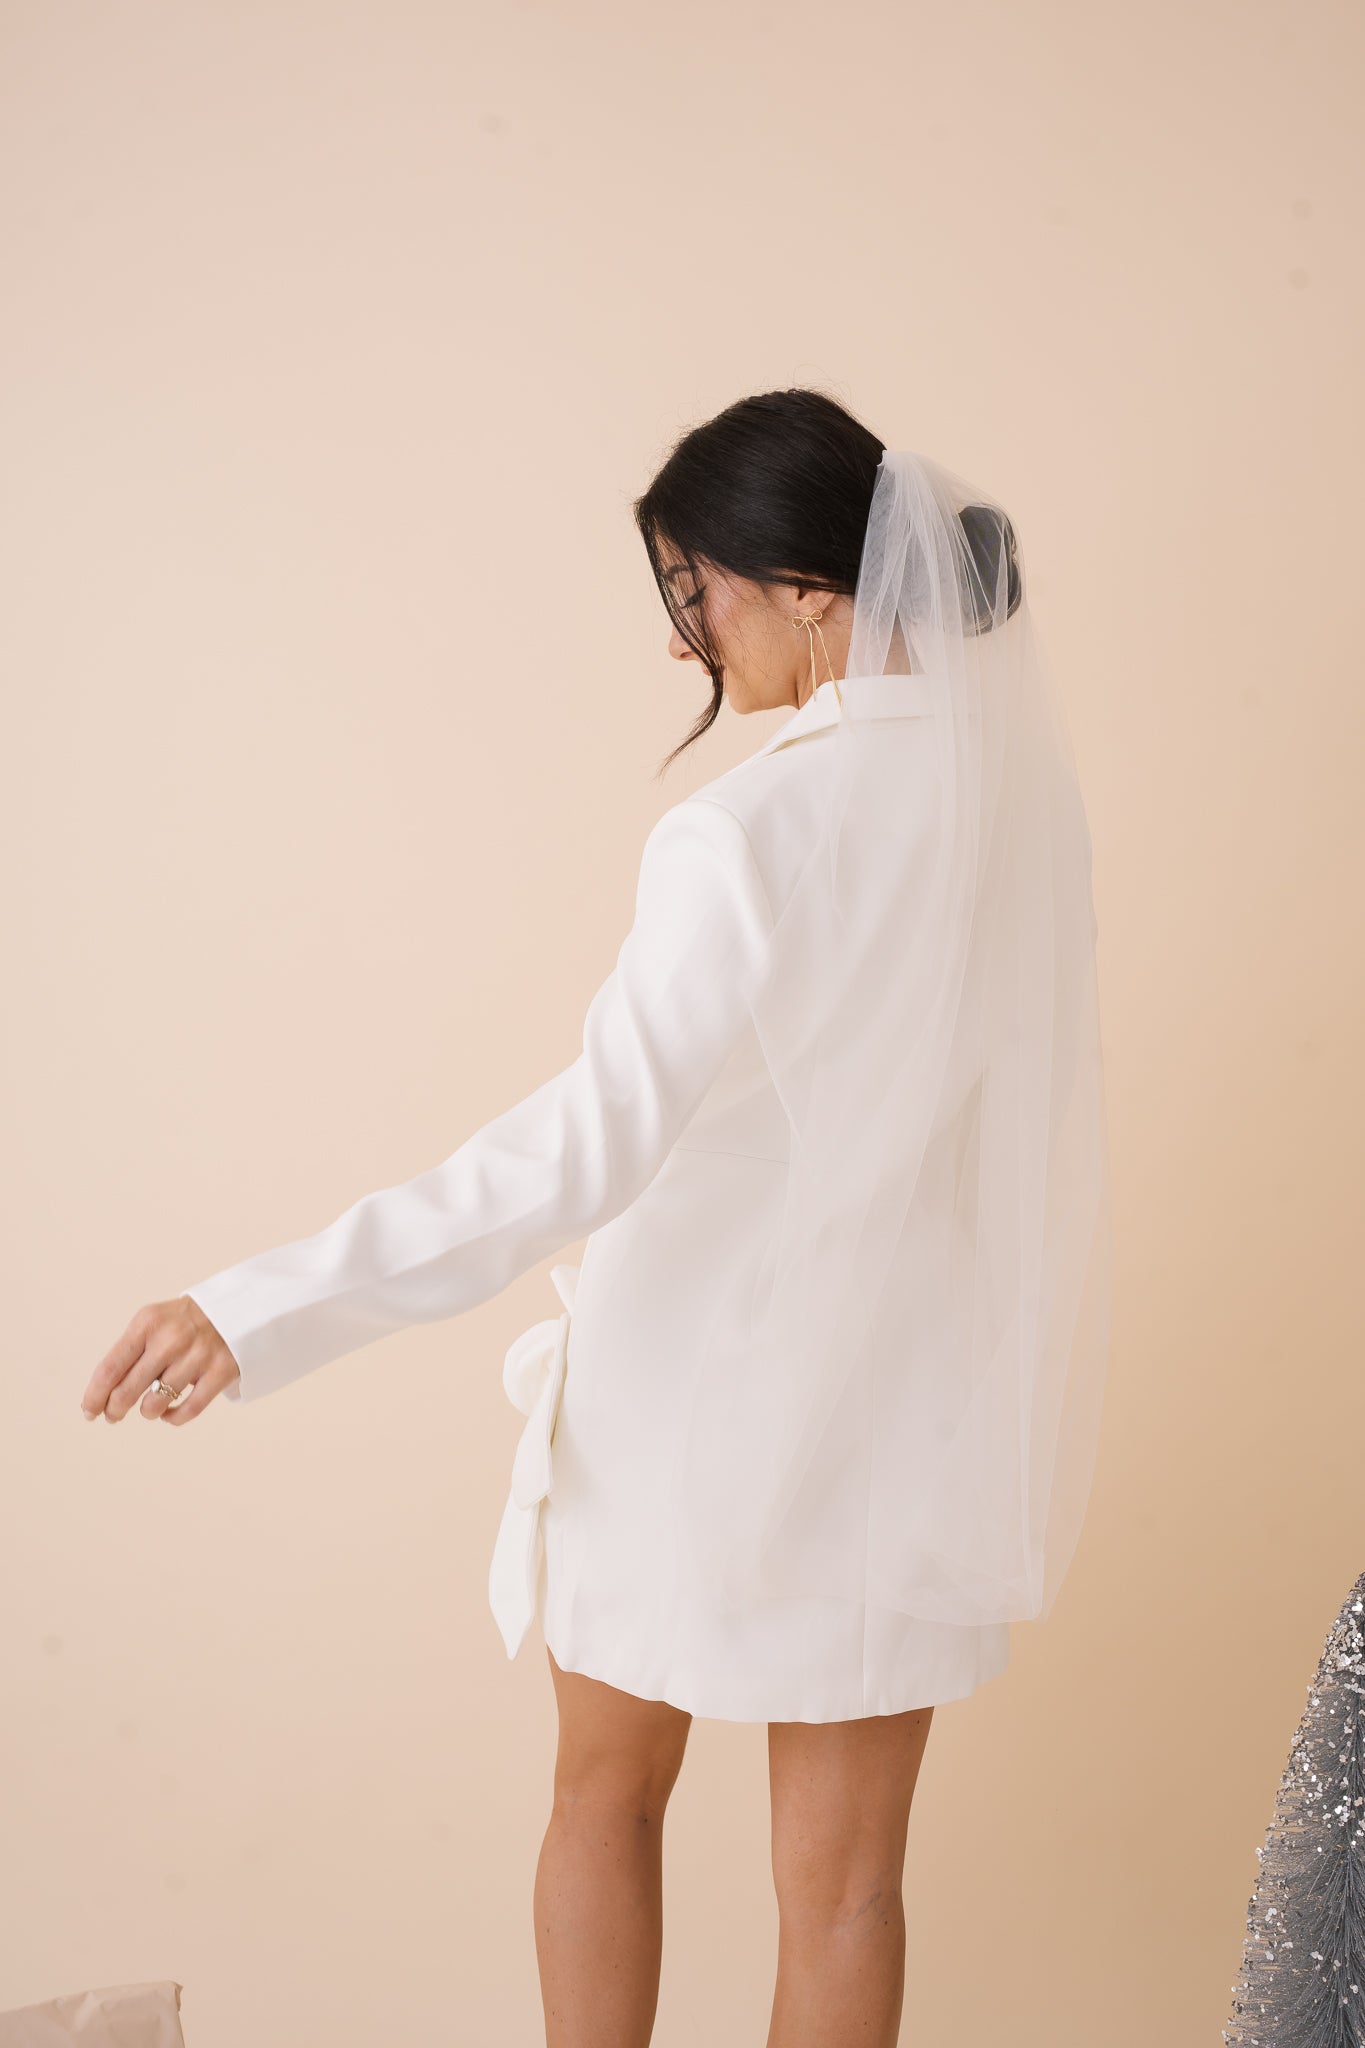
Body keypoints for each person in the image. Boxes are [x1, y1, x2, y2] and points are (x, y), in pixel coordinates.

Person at [79, 386, 1110, 2048]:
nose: (681, 638)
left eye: (693, 591)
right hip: (908, 1400)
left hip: (694, 1406)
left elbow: (582, 1147)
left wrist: (256, 1304)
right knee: (848, 1889)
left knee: (603, 1797)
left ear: (807, 590)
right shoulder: (1022, 806)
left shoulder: (745, 826)